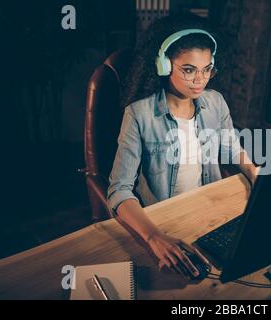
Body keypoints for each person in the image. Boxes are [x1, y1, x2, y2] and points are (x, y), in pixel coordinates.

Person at [107, 14, 259, 278]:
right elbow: (119, 190)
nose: (200, 79)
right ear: (164, 66)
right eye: (189, 70)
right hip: (162, 221)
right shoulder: (138, 115)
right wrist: (154, 237)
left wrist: (257, 178)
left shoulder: (216, 102)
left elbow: (232, 148)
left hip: (207, 212)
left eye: (207, 69)